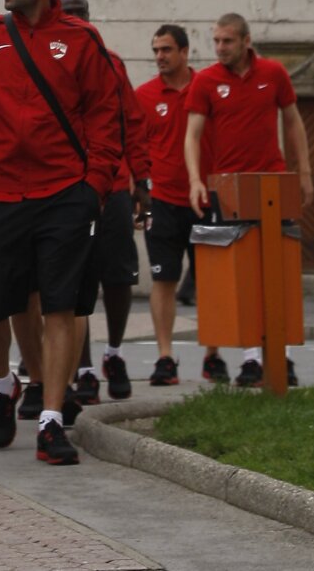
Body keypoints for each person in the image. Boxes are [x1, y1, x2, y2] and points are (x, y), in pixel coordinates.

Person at [0, 0, 121, 467]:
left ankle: (50, 419)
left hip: (65, 193)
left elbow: (105, 117)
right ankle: (4, 382)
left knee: (60, 304)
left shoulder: (82, 40)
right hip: (1, 191)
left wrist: (93, 187)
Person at [185, 11, 314, 387]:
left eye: (227, 41)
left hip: (273, 182)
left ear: (246, 41)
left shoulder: (273, 73)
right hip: (229, 187)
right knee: (243, 274)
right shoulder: (206, 80)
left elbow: (293, 121)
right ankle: (252, 359)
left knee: (279, 271)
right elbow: (192, 135)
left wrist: (304, 173)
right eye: (216, 41)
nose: (220, 48)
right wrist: (195, 180)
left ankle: (281, 356)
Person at [56, 0, 149, 406]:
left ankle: (113, 352)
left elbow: (132, 121)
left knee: (118, 274)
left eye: (83, 12)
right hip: (68, 188)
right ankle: (84, 369)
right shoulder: (46, 61)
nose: (78, 19)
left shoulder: (111, 62)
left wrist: (142, 180)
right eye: (69, 12)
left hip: (113, 186)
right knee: (76, 280)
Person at [136, 24, 200, 384]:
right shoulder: (144, 96)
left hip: (203, 199)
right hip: (161, 202)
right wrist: (139, 195)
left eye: (166, 50)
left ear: (184, 52)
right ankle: (165, 357)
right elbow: (134, 148)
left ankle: (213, 355)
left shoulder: (205, 88)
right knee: (164, 279)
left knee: (211, 281)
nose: (159, 56)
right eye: (156, 50)